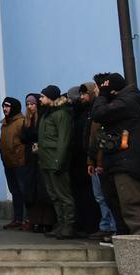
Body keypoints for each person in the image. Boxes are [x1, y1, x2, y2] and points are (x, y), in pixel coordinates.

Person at [90, 72, 140, 236]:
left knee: (130, 205)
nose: (96, 92)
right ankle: (126, 244)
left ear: (112, 90)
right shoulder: (122, 102)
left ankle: (139, 245)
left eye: (99, 88)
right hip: (118, 161)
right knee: (118, 205)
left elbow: (98, 114)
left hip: (126, 163)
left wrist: (102, 94)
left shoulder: (126, 103)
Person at [37, 85, 75, 239]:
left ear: (50, 97)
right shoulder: (47, 114)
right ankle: (61, 223)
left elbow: (63, 140)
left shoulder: (61, 114)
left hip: (55, 160)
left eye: (42, 96)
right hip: (46, 160)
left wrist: (59, 160)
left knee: (63, 195)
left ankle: (69, 225)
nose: (40, 99)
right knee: (54, 195)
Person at [81, 83, 116, 241]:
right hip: (95, 160)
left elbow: (101, 140)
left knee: (107, 196)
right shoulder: (92, 113)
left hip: (102, 161)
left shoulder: (101, 113)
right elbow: (92, 140)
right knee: (100, 196)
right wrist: (90, 161)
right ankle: (105, 226)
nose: (82, 97)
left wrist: (99, 162)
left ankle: (113, 227)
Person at [68, 86, 100, 236]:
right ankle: (82, 223)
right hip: (77, 158)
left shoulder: (86, 114)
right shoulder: (76, 114)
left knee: (89, 194)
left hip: (84, 158)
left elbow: (87, 137)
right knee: (80, 193)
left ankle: (91, 224)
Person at [22, 93, 55, 233]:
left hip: (42, 156)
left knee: (44, 189)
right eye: (28, 104)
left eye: (32, 104)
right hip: (31, 158)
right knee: (32, 190)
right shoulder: (27, 120)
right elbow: (23, 137)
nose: (30, 107)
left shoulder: (42, 117)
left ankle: (47, 221)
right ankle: (35, 221)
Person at [0, 97, 28, 230]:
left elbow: (24, 142)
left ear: (14, 108)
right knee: (15, 191)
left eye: (7, 106)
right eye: (3, 106)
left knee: (24, 191)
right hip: (9, 163)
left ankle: (28, 219)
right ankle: (17, 219)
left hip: (20, 162)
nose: (4, 109)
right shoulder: (5, 124)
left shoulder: (21, 122)